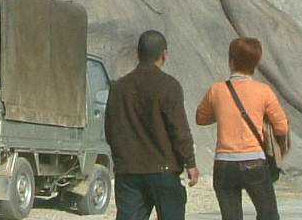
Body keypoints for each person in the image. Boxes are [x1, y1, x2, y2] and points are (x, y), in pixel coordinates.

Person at [105, 30, 199, 220]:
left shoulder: (118, 88)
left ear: (138, 54)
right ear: (164, 55)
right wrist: (190, 162)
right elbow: (179, 129)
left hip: (129, 171)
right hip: (164, 171)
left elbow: (110, 130)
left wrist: (122, 161)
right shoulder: (169, 85)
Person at [195, 37, 290, 220]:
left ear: (231, 61)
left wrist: (223, 113)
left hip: (224, 164)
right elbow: (281, 128)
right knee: (268, 215)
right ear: (256, 63)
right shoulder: (264, 91)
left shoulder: (216, 90)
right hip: (254, 162)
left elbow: (201, 118)